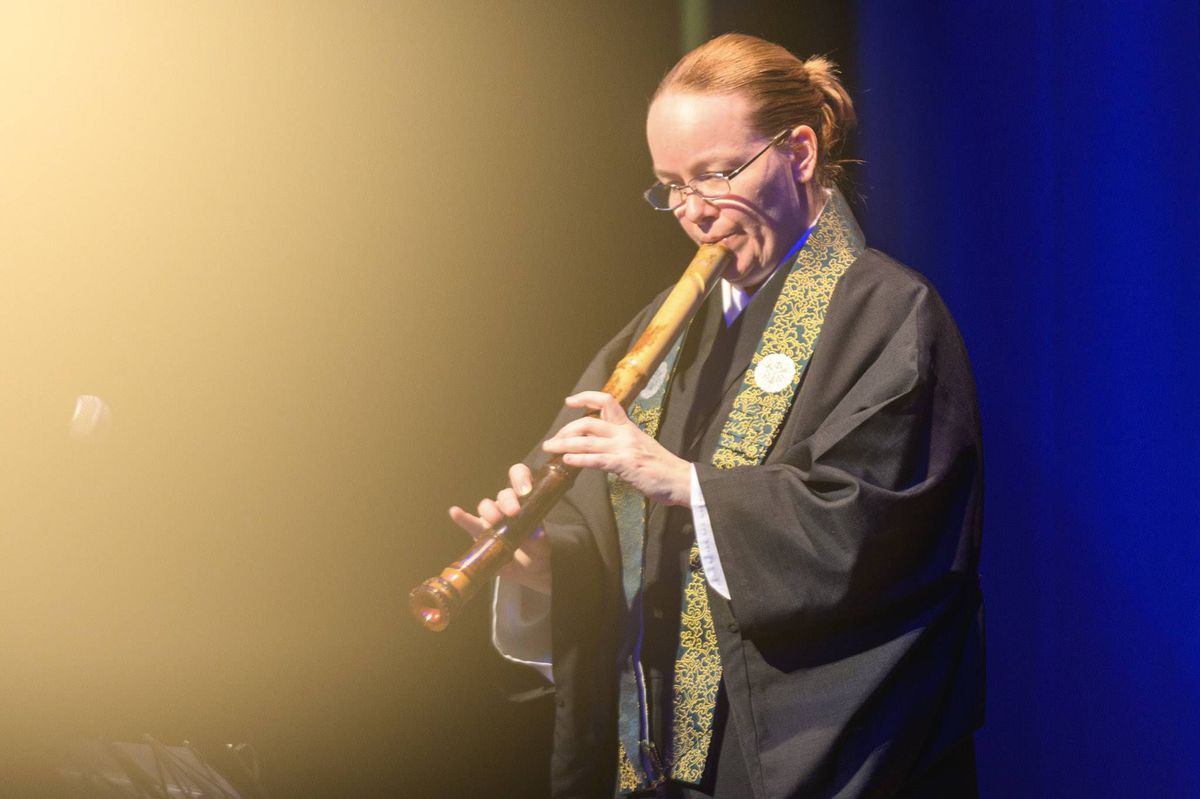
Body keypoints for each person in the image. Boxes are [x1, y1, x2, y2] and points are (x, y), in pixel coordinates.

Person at [450, 33, 984, 799]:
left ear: (798, 152)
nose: (693, 213)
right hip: (663, 763)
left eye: (715, 175)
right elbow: (605, 537)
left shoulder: (891, 316)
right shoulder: (651, 339)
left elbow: (877, 538)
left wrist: (685, 483)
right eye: (670, 185)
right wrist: (546, 566)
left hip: (824, 763)